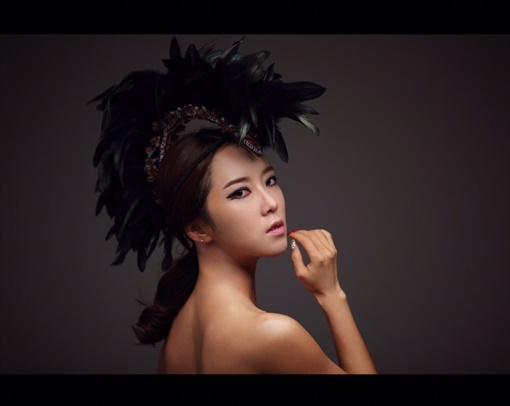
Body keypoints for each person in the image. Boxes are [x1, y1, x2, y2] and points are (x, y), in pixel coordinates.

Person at [90, 36, 377, 374]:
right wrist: (332, 296)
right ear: (197, 228)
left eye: (270, 180)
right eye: (239, 192)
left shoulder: (179, 335)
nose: (271, 203)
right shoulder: (271, 335)